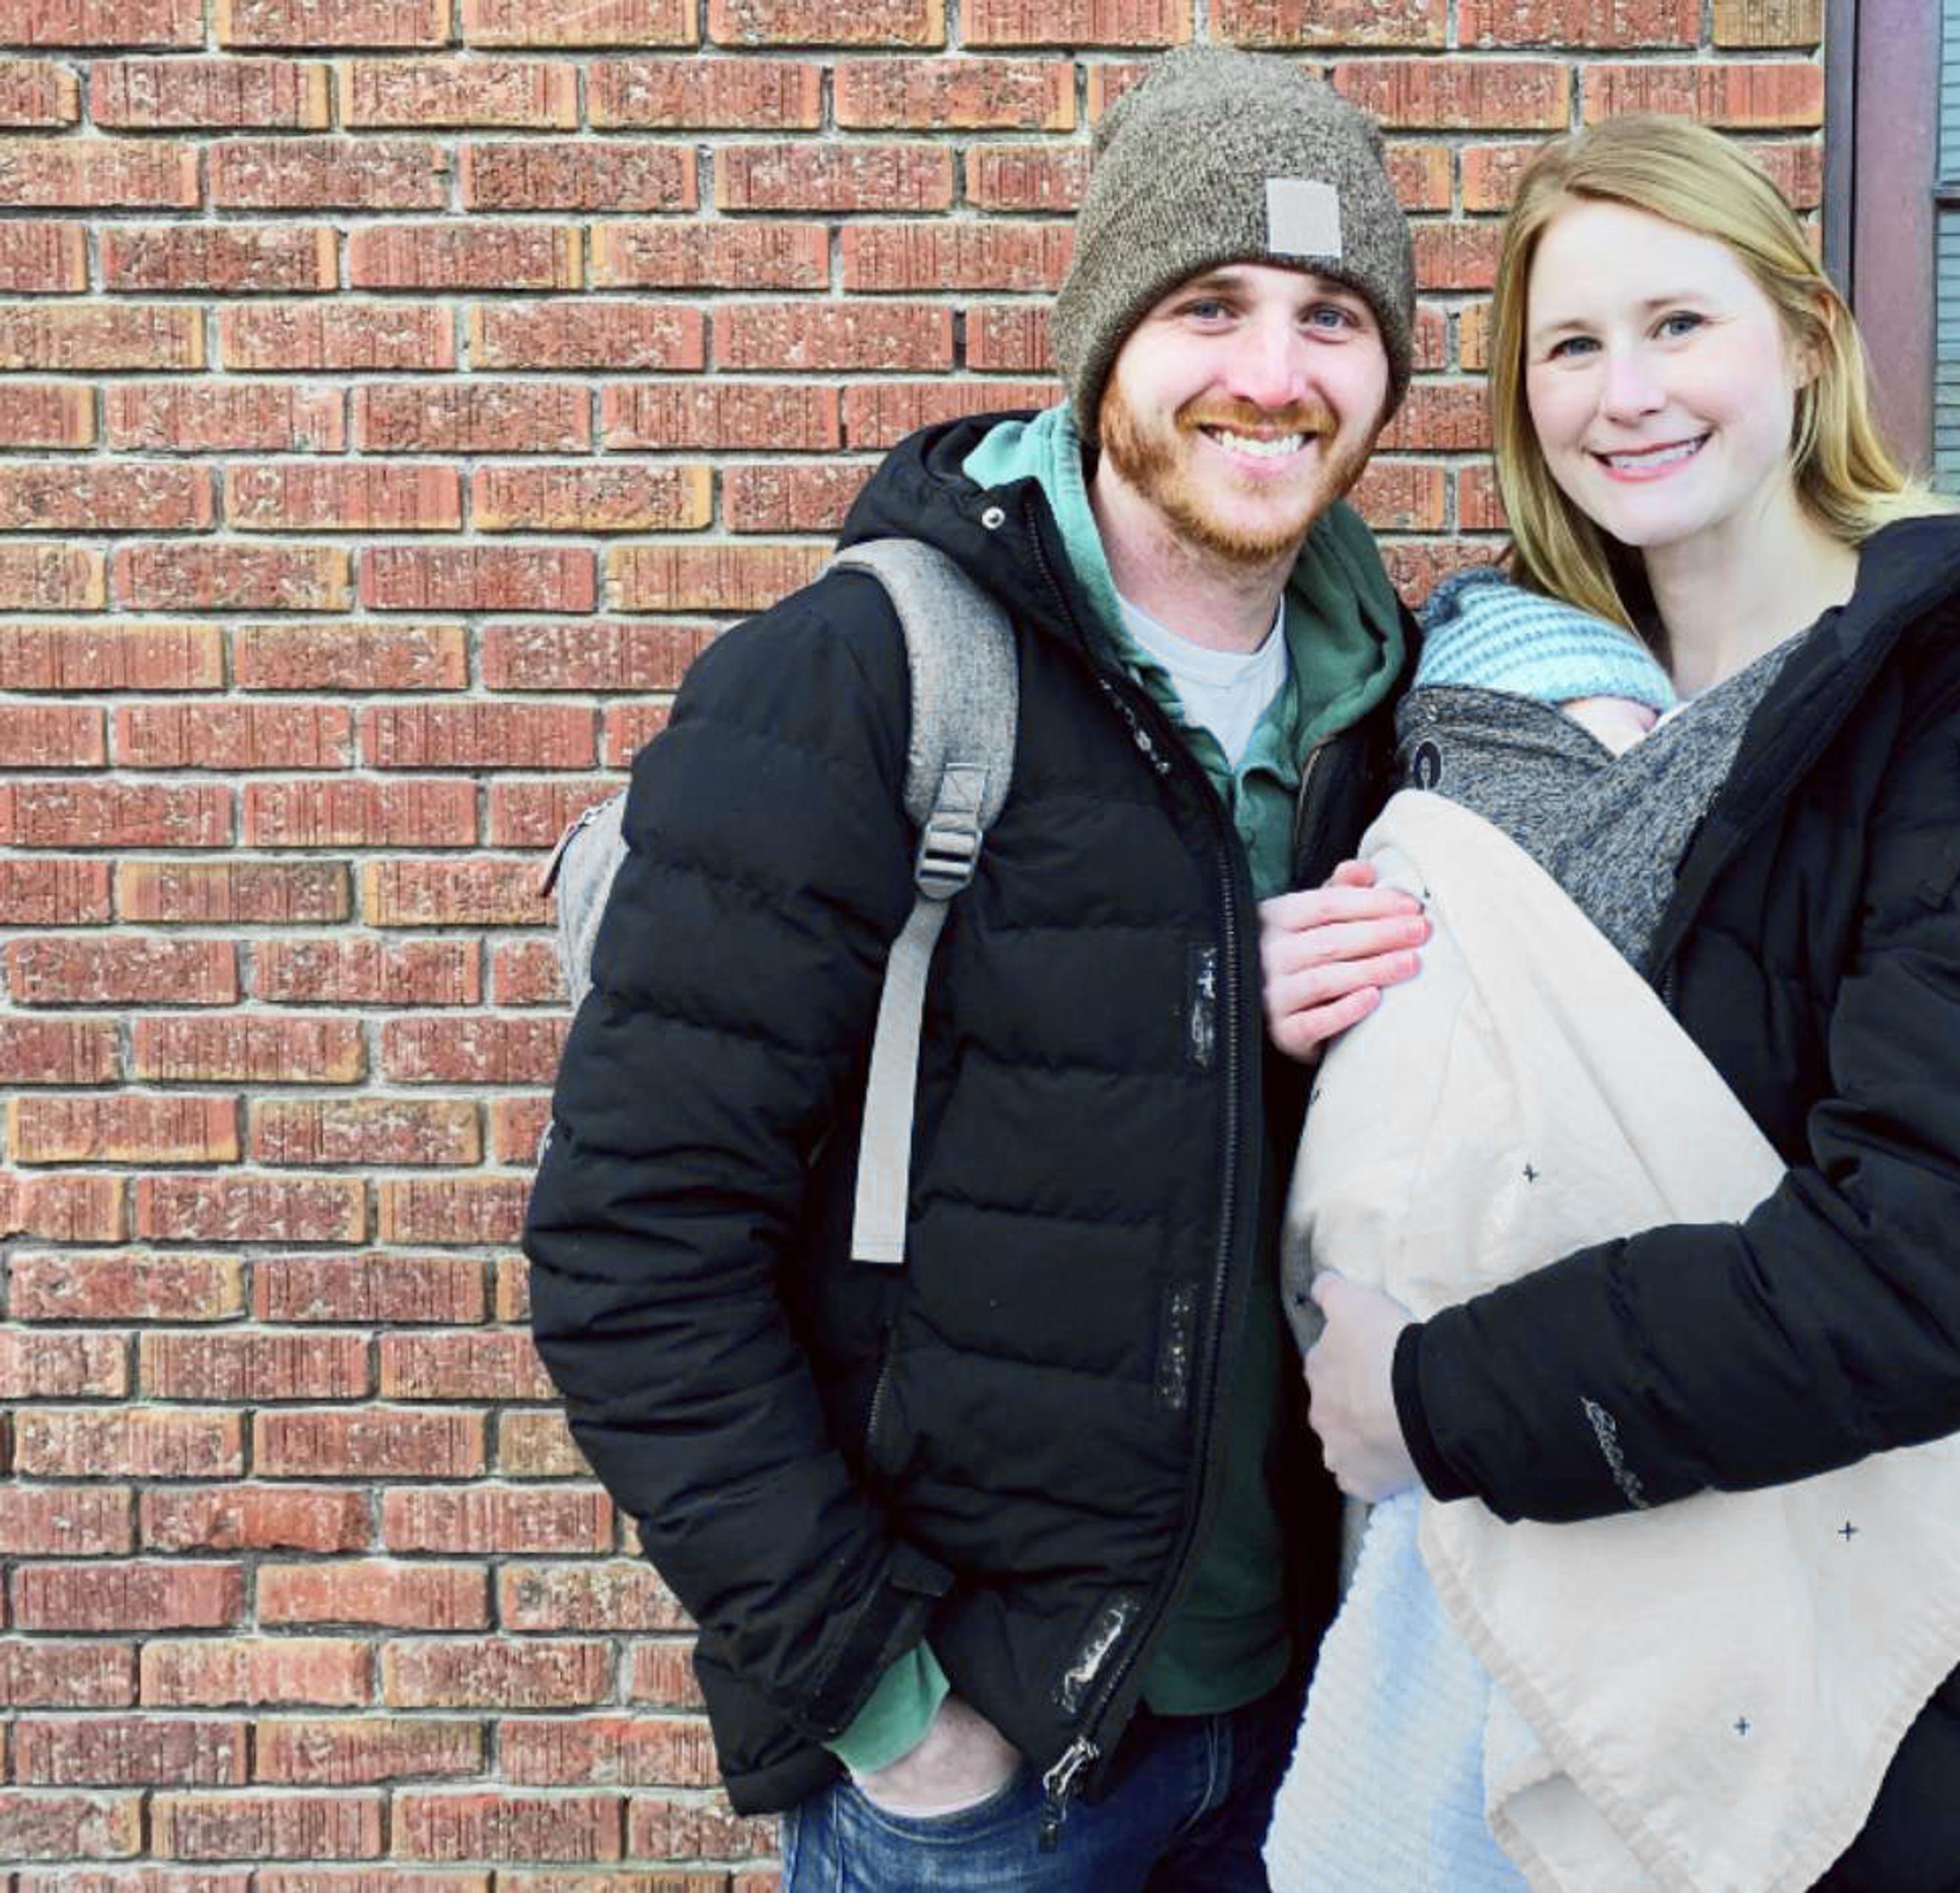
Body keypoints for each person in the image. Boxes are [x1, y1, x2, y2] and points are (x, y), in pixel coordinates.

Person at [1264, 115, 1960, 1891]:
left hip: (1940, 1719)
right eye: (1570, 345)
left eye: (1678, 324)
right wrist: (1294, 1003)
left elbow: (1944, 1250)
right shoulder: (1476, 721)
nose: (1624, 392)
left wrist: (1436, 1403)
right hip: (1551, 1646)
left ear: (1806, 339)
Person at [521, 46, 1422, 1889]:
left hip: (1312, 1732)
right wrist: (892, 1711)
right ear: (1105, 340)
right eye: (1210, 305)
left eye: (1333, 313)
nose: (1273, 372)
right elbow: (630, 1248)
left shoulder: (1388, 703)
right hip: (998, 1772)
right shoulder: (865, 677)